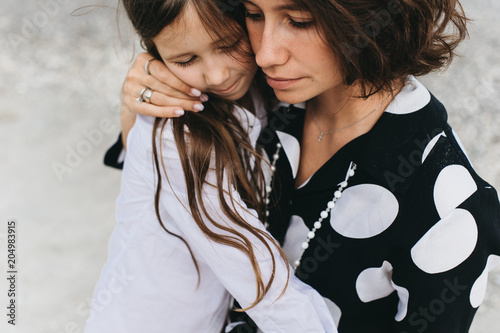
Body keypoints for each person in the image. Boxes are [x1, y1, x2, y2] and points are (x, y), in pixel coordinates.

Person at [118, 0, 500, 332]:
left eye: (299, 21)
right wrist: (142, 99)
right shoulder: (251, 87)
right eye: (252, 14)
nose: (266, 53)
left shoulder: (449, 209)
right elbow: (161, 186)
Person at [85, 0, 338, 332]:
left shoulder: (266, 89)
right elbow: (258, 276)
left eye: (230, 44)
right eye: (186, 59)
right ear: (154, 53)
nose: (217, 75)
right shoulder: (176, 136)